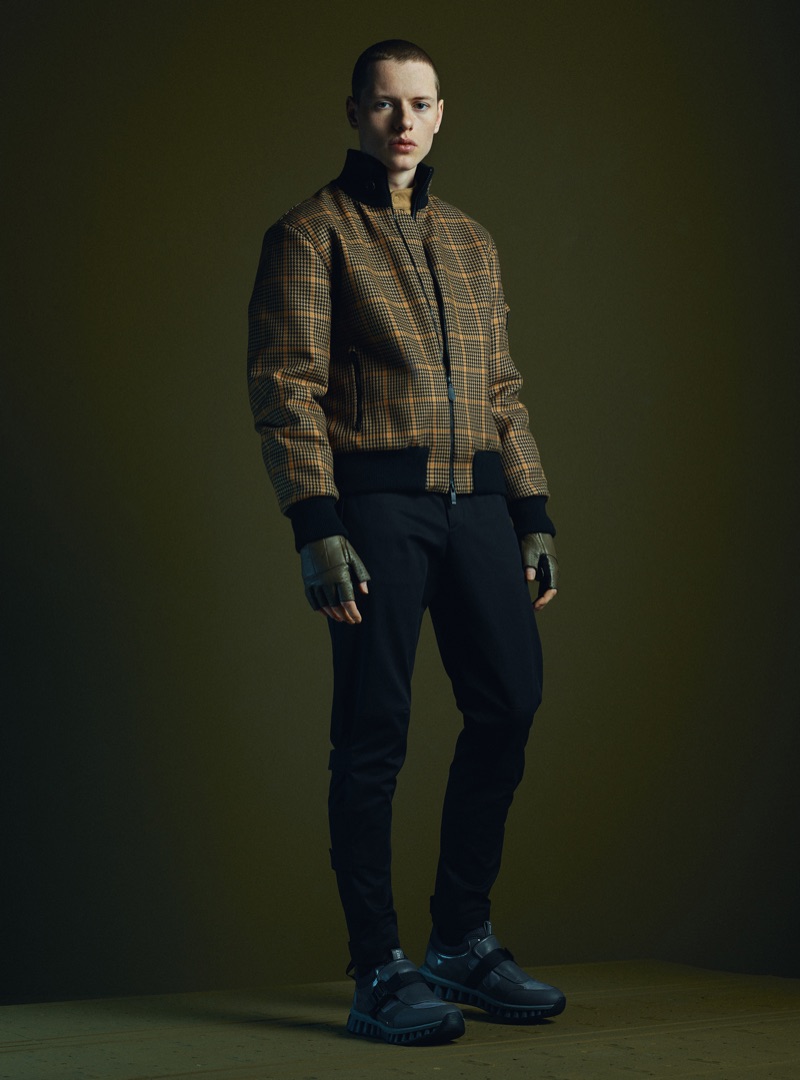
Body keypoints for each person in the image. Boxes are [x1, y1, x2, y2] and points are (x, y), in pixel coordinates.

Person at [247, 39, 565, 1046]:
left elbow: (502, 389)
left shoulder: (470, 239)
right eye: (386, 104)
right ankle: (378, 965)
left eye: (420, 104)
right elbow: (286, 388)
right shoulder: (310, 234)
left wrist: (531, 509)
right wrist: (316, 522)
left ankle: (460, 940)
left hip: (478, 508)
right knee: (374, 731)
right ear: (355, 112)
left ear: (440, 114)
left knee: (509, 701)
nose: (404, 122)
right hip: (376, 510)